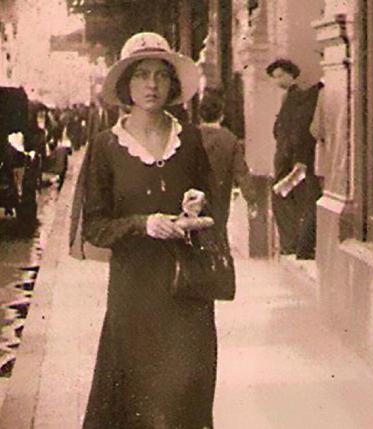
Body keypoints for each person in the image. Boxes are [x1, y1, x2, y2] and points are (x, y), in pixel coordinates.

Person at [75, 32, 219, 428]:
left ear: (173, 85)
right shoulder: (106, 147)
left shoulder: (189, 140)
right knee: (137, 394)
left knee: (187, 390)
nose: (152, 84)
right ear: (126, 85)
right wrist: (143, 224)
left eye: (160, 75)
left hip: (185, 288)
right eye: (141, 75)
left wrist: (197, 205)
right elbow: (95, 227)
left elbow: (213, 205)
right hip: (134, 292)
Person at [266, 58, 323, 259]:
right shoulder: (291, 97)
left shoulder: (298, 97)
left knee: (285, 196)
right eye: (274, 77)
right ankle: (294, 243)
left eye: (281, 75)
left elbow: (297, 130)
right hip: (289, 159)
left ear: (292, 74)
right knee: (291, 197)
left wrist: (294, 156)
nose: (278, 80)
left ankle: (293, 244)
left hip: (292, 160)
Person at [197, 91, 258, 232]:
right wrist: (251, 199)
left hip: (192, 194)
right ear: (221, 116)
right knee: (218, 231)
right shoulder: (229, 139)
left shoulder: (191, 136)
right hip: (220, 195)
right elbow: (241, 172)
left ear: (200, 115)